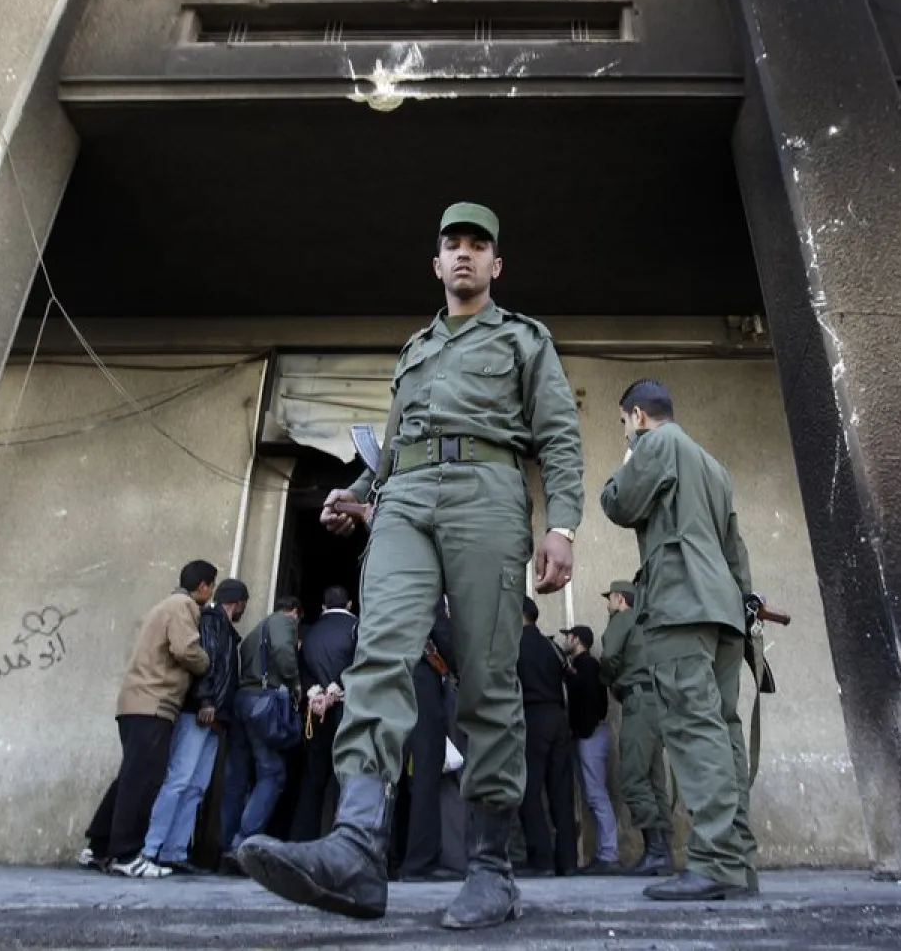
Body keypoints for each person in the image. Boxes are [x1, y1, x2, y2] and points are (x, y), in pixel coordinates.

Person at [238, 202, 583, 931]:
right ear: (436, 263)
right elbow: (394, 447)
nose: (464, 254)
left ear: (495, 264)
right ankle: (357, 849)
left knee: (487, 677)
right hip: (403, 501)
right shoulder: (415, 349)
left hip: (487, 493)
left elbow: (558, 435)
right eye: (452, 244)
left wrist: (562, 526)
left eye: (478, 245)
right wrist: (358, 493)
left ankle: (491, 869)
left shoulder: (524, 339)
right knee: (379, 654)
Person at [599, 379, 756, 901]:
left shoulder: (658, 443)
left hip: (681, 603)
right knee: (723, 729)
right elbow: (735, 548)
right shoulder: (712, 465)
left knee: (692, 728)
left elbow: (618, 503)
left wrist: (628, 457)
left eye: (624, 424)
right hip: (723, 610)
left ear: (638, 415)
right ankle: (738, 862)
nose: (625, 433)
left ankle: (713, 863)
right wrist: (743, 602)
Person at [80, 560, 215, 878]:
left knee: (130, 777)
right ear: (203, 586)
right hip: (154, 703)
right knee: (144, 780)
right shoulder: (183, 606)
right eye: (211, 587)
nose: (211, 593)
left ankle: (98, 848)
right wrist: (207, 661)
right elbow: (185, 649)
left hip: (135, 703)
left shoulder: (163, 605)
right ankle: (127, 855)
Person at [143, 577, 248, 873]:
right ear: (237, 602)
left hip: (214, 718)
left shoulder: (223, 628)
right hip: (201, 714)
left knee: (195, 787)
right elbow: (206, 664)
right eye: (243, 604)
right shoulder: (213, 623)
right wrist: (205, 701)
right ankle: (151, 849)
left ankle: (173, 852)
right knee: (180, 780)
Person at [599, 578, 674, 876]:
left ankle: (655, 851)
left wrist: (607, 680)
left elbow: (609, 656)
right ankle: (664, 852)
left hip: (638, 702)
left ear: (620, 599)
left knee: (633, 777)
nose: (608, 605)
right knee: (654, 780)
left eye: (610, 599)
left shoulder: (623, 618)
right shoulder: (650, 623)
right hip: (658, 702)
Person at [221, 595, 301, 859]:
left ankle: (225, 843)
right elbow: (283, 652)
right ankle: (242, 843)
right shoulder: (284, 622)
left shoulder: (255, 631)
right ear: (294, 612)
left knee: (237, 776)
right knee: (273, 773)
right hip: (263, 703)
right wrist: (295, 682)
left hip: (242, 699)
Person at [399, 598, 463, 883]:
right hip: (419, 683)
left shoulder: (386, 587)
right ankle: (419, 861)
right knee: (426, 772)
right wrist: (462, 668)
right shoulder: (426, 589)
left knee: (387, 773)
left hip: (386, 681)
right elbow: (443, 635)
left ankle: (385, 855)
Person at [516, 599, 578, 878]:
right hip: (558, 717)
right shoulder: (552, 646)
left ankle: (541, 859)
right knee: (561, 792)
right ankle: (568, 861)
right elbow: (569, 675)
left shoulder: (513, 644)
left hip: (532, 718)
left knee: (529, 791)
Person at [292, 585, 359, 841]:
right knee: (347, 778)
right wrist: (336, 690)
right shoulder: (357, 628)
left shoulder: (309, 632)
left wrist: (316, 693)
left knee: (313, 779)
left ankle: (303, 838)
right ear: (350, 605)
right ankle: (343, 838)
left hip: (315, 711)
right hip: (347, 710)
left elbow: (299, 667)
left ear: (323, 606)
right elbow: (361, 665)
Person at [559, 623, 620, 874]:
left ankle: (609, 853)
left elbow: (592, 702)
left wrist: (583, 731)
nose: (565, 641)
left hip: (590, 737)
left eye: (568, 637)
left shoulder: (587, 666)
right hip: (587, 736)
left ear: (576, 640)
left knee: (596, 795)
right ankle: (605, 853)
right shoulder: (580, 666)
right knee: (593, 795)